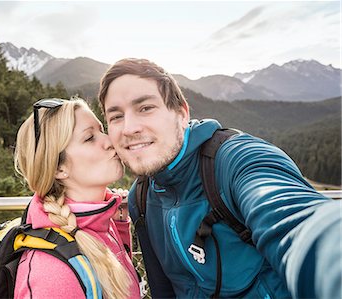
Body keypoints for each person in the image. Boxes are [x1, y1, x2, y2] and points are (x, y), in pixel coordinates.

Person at [98, 58, 340, 299]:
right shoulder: (140, 198)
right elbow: (163, 290)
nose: (129, 128)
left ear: (181, 113)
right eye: (116, 116)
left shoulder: (233, 161)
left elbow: (294, 219)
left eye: (145, 108)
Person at [13, 97, 141, 299]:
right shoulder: (52, 274)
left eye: (102, 130)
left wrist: (120, 225)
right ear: (58, 168)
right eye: (90, 138)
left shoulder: (101, 220)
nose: (110, 141)